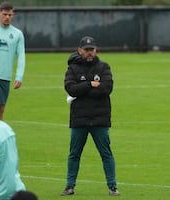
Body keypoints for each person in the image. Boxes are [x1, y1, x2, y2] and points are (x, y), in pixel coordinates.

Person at [61, 36, 119, 196]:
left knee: (106, 153)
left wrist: (83, 90)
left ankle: (112, 186)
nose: (89, 53)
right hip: (80, 118)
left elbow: (106, 89)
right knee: (74, 154)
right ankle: (69, 186)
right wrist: (89, 84)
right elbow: (70, 89)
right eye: (86, 50)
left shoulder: (104, 67)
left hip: (100, 119)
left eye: (91, 50)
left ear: (95, 50)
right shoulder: (72, 69)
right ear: (80, 51)